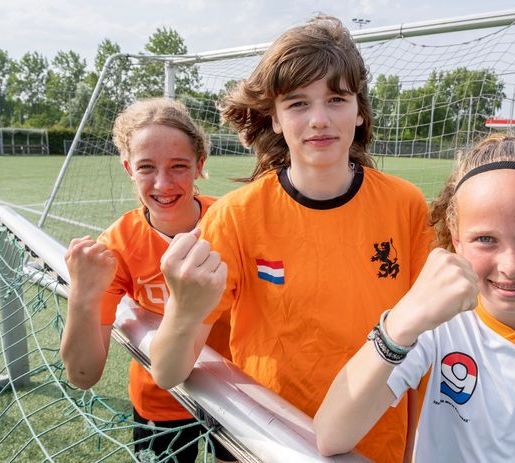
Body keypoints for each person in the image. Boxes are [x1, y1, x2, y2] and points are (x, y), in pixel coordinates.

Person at [150, 15, 434, 463]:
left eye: (336, 99)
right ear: (276, 118)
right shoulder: (237, 217)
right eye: (298, 103)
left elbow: (425, 345)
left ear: (360, 111)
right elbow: (167, 372)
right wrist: (183, 309)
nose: (319, 120)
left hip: (374, 449)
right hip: (267, 447)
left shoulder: (405, 205)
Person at [313, 133, 515, 462]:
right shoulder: (434, 325)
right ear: (456, 238)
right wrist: (400, 325)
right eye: (486, 239)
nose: (510, 266)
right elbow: (331, 435)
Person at [60, 97, 234, 462]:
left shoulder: (233, 224)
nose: (163, 183)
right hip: (162, 402)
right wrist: (81, 296)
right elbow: (83, 374)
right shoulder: (119, 244)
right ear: (128, 167)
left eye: (178, 166)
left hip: (239, 397)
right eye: (146, 167)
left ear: (200, 164)